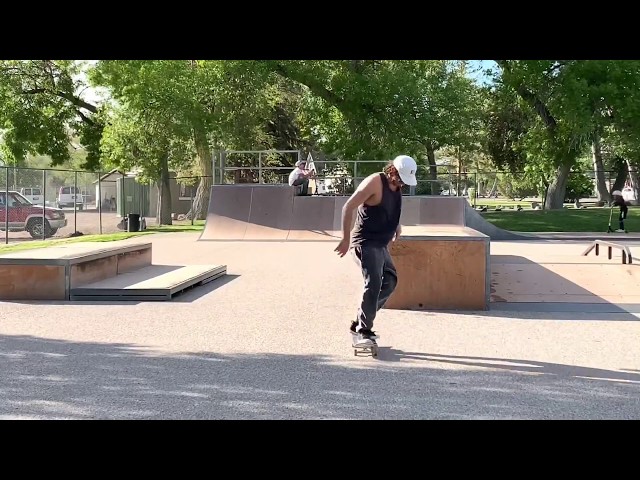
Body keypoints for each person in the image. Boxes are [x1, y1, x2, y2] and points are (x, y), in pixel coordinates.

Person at [334, 155, 418, 348]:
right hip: (364, 242)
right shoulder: (375, 182)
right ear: (393, 171)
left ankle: (359, 321)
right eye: (400, 179)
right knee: (374, 282)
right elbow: (348, 207)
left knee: (389, 281)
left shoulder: (397, 187)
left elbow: (390, 209)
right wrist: (346, 239)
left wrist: (396, 225)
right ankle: (364, 331)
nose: (402, 184)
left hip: (380, 244)